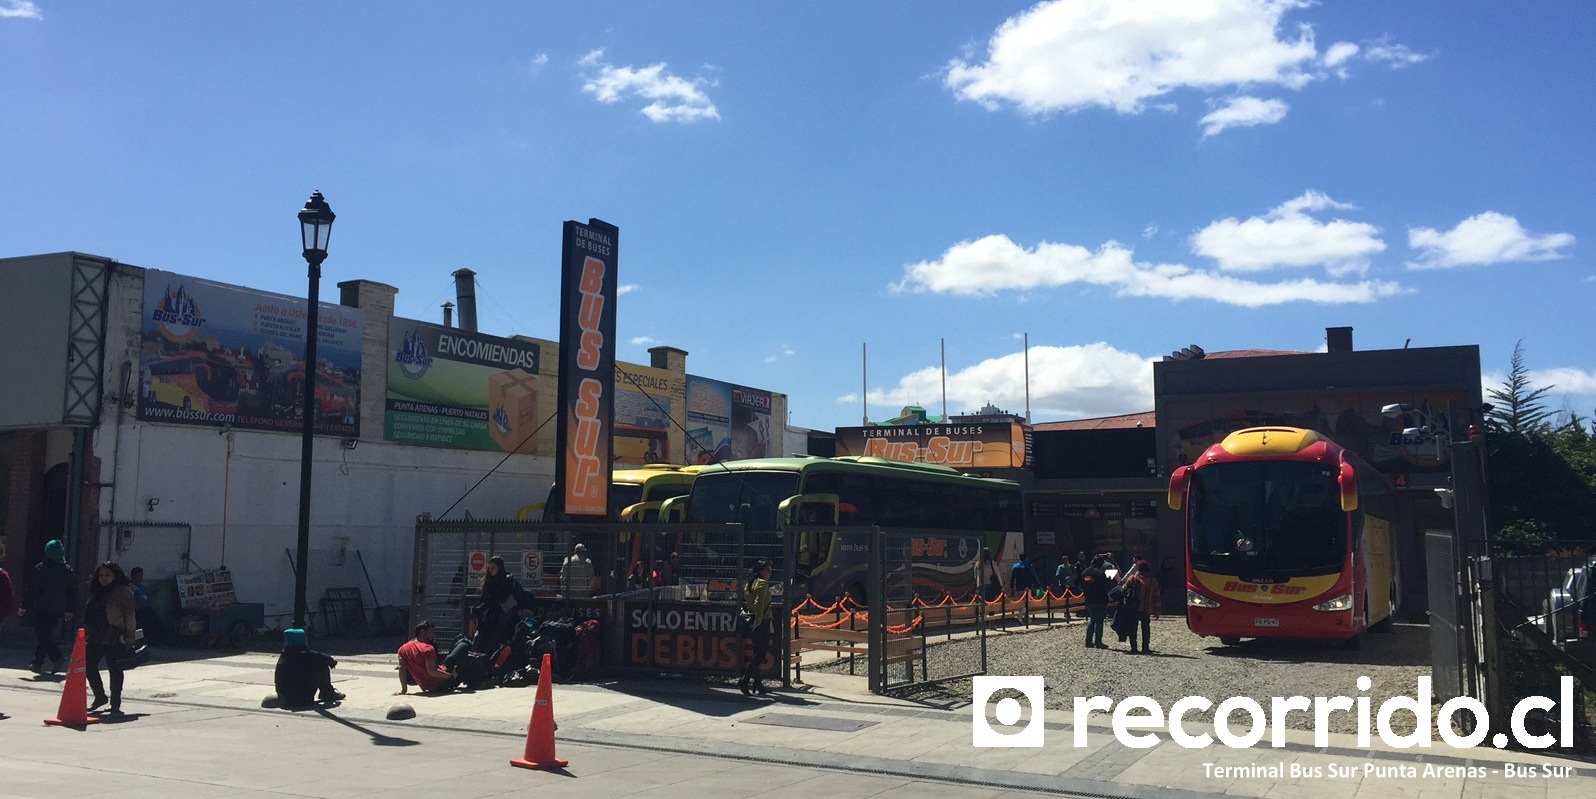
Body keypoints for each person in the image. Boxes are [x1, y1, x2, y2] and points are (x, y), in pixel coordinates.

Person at [82, 561, 137, 714]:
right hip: (97, 633)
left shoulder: (123, 591)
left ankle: (115, 702)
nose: (104, 578)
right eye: (101, 575)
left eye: (108, 575)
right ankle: (100, 696)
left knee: (115, 667)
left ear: (115, 576)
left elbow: (130, 615)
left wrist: (130, 635)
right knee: (88, 664)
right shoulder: (97, 590)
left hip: (115, 633)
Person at [19, 539, 75, 674]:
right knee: (45, 634)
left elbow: (31, 588)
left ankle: (56, 657)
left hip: (42, 607)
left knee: (42, 633)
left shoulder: (41, 568)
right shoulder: (67, 570)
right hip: (58, 608)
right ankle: (37, 662)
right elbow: (72, 591)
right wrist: (69, 609)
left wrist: (24, 605)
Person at [274, 628, 344, 707]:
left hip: (284, 696)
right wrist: (331, 661)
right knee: (321, 664)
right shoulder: (305, 655)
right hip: (302, 698)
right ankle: (327, 692)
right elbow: (324, 659)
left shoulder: (284, 656)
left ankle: (327, 692)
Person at [739, 559, 775, 696]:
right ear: (760, 571)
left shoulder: (749, 584)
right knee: (761, 653)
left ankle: (758, 684)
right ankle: (745, 680)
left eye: (771, 571)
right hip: (762, 621)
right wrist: (759, 621)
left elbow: (750, 603)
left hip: (753, 620)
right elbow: (759, 604)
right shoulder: (762, 584)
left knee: (756, 653)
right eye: (768, 571)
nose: (770, 574)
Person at [396, 621, 461, 695]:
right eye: (432, 632)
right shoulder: (428, 648)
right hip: (440, 683)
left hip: (426, 685)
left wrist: (403, 690)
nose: (434, 635)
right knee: (463, 644)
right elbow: (432, 671)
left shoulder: (403, 649)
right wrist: (451, 676)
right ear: (422, 632)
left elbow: (402, 669)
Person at [473, 556, 516, 655]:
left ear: (499, 568)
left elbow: (501, 598)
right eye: (489, 567)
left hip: (500, 615)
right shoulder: (488, 582)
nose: (491, 570)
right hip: (489, 615)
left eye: (493, 567)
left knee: (493, 639)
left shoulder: (506, 580)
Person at [1126, 559, 1162, 653]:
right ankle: (1145, 648)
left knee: (1133, 628)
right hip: (1147, 609)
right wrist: (1157, 611)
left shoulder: (1132, 578)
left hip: (1133, 608)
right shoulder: (1153, 581)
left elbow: (1123, 590)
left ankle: (1134, 648)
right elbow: (1157, 596)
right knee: (1146, 629)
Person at [1079, 555, 1110, 650]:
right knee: (1099, 621)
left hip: (1089, 599)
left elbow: (1081, 585)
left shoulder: (1085, 572)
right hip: (1100, 599)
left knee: (1092, 620)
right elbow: (1106, 586)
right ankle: (1098, 642)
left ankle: (1088, 641)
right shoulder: (1100, 573)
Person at [129, 566, 158, 642]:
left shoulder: (142, 586)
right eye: (139, 575)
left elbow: (147, 596)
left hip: (146, 607)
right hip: (137, 609)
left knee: (155, 619)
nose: (141, 577)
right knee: (147, 619)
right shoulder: (130, 586)